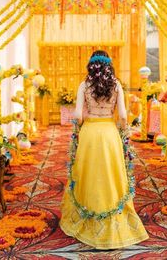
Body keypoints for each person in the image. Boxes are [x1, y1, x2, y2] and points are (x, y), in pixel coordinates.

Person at [60, 50, 148, 249]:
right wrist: (123, 131)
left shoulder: (84, 85)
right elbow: (124, 116)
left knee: (88, 173)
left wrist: (82, 122)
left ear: (91, 65)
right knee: (111, 173)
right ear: (109, 65)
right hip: (109, 134)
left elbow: (77, 115)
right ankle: (112, 213)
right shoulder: (116, 85)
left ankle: (88, 213)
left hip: (90, 133)